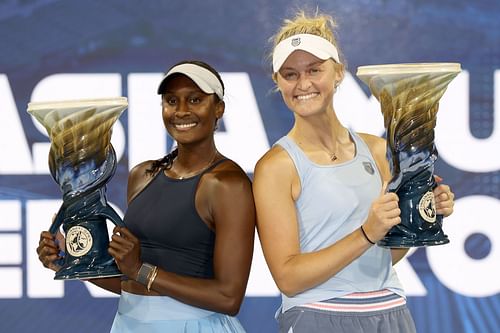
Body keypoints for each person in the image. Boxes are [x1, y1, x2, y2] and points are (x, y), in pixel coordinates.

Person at [253, 10, 455, 333]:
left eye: (314, 70)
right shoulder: (276, 167)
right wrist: (366, 233)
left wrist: (428, 213)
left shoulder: (376, 150)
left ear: (338, 73)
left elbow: (379, 259)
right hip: (316, 316)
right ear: (277, 81)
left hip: (390, 312)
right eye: (290, 74)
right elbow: (288, 278)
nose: (303, 83)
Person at [37, 60, 256, 332]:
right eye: (172, 101)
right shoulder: (142, 175)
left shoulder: (227, 185)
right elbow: (132, 285)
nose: (182, 111)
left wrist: (140, 270)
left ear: (219, 108)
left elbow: (228, 298)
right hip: (129, 324)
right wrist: (70, 259)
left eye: (195, 99)